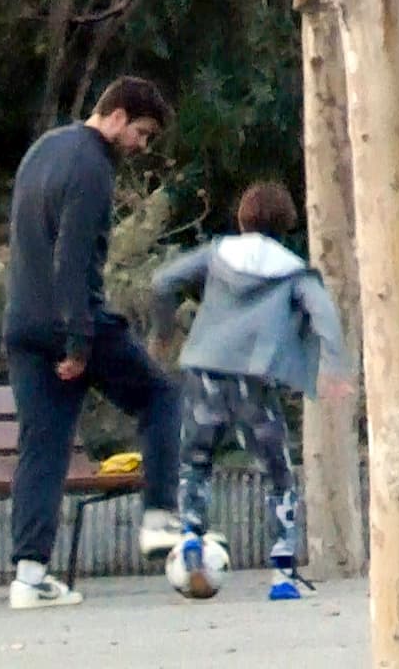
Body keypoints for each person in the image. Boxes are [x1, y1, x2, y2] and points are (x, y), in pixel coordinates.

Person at [2, 76, 185, 609]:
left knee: (43, 447)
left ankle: (30, 577)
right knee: (161, 396)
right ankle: (159, 517)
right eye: (143, 134)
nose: (141, 146)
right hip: (69, 322)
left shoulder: (44, 150)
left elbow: (26, 244)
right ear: (118, 117)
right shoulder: (92, 168)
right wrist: (79, 342)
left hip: (22, 323)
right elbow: (74, 257)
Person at [149, 180, 354, 601]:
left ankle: (190, 534)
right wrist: (335, 368)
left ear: (242, 218)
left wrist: (163, 333)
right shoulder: (293, 271)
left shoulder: (217, 253)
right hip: (253, 379)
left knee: (196, 462)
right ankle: (282, 572)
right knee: (278, 474)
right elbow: (324, 315)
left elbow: (163, 281)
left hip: (203, 367)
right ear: (287, 223)